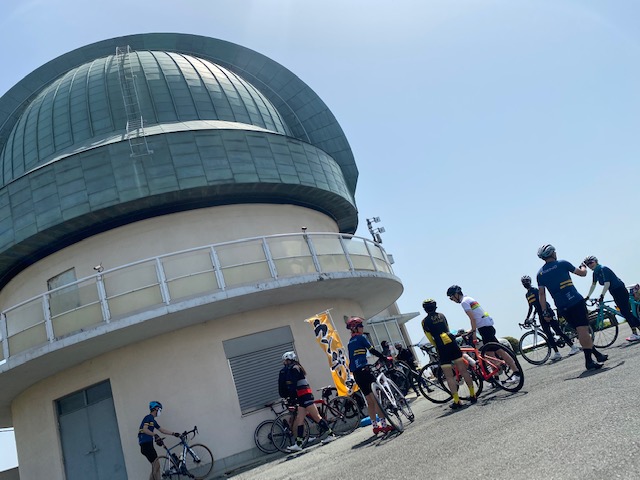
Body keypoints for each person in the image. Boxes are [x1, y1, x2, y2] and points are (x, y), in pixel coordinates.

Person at [536, 244, 608, 371]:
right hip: (574, 301)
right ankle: (589, 361)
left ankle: (597, 355)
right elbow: (582, 274)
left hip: (561, 307)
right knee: (583, 331)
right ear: (552, 253)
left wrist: (544, 312)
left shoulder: (540, 274)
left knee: (580, 332)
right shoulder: (562, 263)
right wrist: (583, 267)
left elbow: (542, 295)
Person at [447, 285, 522, 384]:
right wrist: (471, 330)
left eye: (451, 297)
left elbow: (473, 319)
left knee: (499, 352)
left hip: (484, 328)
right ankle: (496, 380)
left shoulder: (464, 303)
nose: (452, 300)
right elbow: (478, 316)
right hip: (487, 326)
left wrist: (473, 334)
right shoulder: (469, 298)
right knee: (490, 354)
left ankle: (516, 372)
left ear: (456, 294)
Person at [421, 299, 476, 409]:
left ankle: (457, 401)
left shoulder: (424, 321)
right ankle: (472, 394)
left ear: (425, 309)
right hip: (451, 342)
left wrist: (436, 346)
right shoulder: (442, 315)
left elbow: (429, 338)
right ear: (435, 306)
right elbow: (447, 327)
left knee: (449, 376)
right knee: (463, 370)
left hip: (441, 346)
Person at [278, 351, 336, 452]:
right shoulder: (295, 368)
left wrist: (291, 394)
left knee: (317, 417)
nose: (284, 363)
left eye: (285, 361)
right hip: (302, 397)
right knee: (300, 420)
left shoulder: (295, 369)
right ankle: (299, 444)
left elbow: (293, 384)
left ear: (289, 360)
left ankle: (331, 434)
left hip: (306, 396)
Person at [346, 316, 395, 434]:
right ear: (356, 328)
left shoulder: (350, 342)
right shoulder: (361, 338)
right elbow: (372, 350)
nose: (363, 327)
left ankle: (375, 427)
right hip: (364, 370)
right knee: (376, 398)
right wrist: (384, 357)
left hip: (357, 373)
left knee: (369, 401)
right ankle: (384, 425)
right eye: (361, 326)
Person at [521, 274, 580, 360]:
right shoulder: (527, 295)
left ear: (530, 282)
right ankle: (557, 353)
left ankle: (573, 347)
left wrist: (545, 313)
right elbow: (531, 307)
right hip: (540, 315)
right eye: (524, 283)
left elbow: (542, 302)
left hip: (547, 311)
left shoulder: (535, 291)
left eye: (527, 282)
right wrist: (528, 318)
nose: (525, 284)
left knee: (558, 331)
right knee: (548, 335)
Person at [584, 256, 640, 342]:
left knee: (625, 312)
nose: (589, 265)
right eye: (587, 264)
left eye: (591, 262)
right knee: (625, 312)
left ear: (596, 261)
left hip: (619, 289)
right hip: (613, 291)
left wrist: (602, 295)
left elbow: (607, 283)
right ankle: (635, 332)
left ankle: (635, 333)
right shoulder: (595, 272)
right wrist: (587, 296)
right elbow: (593, 285)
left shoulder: (603, 269)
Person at [138, 401, 181, 480]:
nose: (160, 411)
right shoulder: (148, 418)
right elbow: (144, 429)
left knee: (156, 467)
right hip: (146, 445)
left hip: (147, 445)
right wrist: (155, 435)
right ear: (156, 408)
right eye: (160, 409)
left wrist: (174, 433)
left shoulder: (153, 421)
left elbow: (162, 430)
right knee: (156, 466)